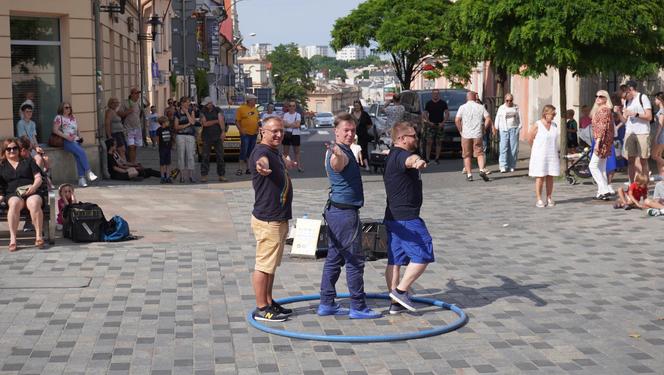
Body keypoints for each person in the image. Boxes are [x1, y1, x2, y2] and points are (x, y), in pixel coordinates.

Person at [318, 113, 381, 319]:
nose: (350, 134)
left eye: (353, 130)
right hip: (344, 214)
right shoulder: (338, 153)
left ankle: (327, 303)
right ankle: (358, 307)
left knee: (334, 258)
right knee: (355, 260)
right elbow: (339, 163)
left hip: (337, 212)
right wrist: (336, 153)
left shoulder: (346, 149)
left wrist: (339, 152)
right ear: (336, 131)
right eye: (346, 130)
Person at [248, 116, 297, 322]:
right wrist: (262, 166)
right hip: (268, 219)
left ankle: (269, 301)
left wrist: (286, 163)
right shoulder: (262, 152)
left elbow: (274, 162)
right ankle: (261, 308)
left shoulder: (274, 152)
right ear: (262, 131)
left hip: (278, 218)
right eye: (274, 131)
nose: (278, 134)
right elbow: (261, 161)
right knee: (263, 265)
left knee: (271, 266)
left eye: (281, 131)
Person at [383, 122, 433, 314]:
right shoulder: (403, 156)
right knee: (423, 253)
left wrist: (416, 161)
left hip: (393, 216)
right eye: (413, 135)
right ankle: (401, 292)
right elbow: (411, 160)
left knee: (395, 260)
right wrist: (418, 162)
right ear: (402, 139)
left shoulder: (392, 155)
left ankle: (395, 303)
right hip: (407, 219)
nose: (416, 138)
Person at [0, 138, 45, 251]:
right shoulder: (2, 166)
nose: (12, 151)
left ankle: (39, 236)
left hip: (31, 191)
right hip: (13, 194)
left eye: (14, 148)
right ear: (4, 151)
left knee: (34, 202)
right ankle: (13, 239)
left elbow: (38, 178)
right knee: (14, 203)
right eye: (8, 149)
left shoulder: (28, 161)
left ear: (19, 149)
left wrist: (34, 187)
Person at [51, 102, 98, 187]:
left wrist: (80, 137)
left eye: (69, 107)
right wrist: (66, 137)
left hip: (76, 140)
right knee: (81, 153)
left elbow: (77, 128)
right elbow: (55, 130)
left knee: (78, 156)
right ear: (62, 108)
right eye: (66, 107)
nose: (68, 109)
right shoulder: (59, 117)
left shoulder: (73, 117)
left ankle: (81, 179)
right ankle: (88, 171)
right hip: (66, 141)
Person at [618, 80, 652, 182]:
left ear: (630, 90)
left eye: (625, 96)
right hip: (630, 132)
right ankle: (631, 184)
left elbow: (649, 117)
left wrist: (635, 114)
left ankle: (644, 183)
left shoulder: (643, 97)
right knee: (630, 160)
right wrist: (619, 113)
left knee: (643, 160)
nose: (624, 99)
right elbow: (624, 120)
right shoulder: (627, 101)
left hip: (642, 132)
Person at [455, 91, 492, 182]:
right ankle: (481, 170)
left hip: (466, 134)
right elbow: (488, 118)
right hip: (477, 133)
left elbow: (457, 120)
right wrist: (484, 129)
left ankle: (469, 174)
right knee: (479, 153)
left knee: (467, 155)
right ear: (475, 98)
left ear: (467, 98)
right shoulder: (480, 107)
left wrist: (460, 130)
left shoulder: (462, 107)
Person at [528, 105, 560, 208]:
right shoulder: (537, 125)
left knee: (550, 176)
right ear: (545, 114)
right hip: (540, 155)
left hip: (551, 154)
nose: (554, 116)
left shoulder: (554, 125)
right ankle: (539, 199)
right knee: (540, 176)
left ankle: (549, 197)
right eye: (553, 114)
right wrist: (536, 149)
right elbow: (530, 138)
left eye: (555, 114)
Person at [588, 90, 615, 200]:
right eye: (596, 96)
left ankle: (604, 189)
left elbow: (602, 127)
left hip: (601, 142)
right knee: (601, 167)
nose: (598, 98)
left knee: (592, 166)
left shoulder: (604, 110)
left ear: (606, 98)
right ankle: (601, 193)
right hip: (605, 141)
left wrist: (597, 142)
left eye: (601, 96)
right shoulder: (602, 110)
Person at [199, 97, 226, 182]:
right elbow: (205, 123)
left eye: (207, 104)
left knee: (220, 156)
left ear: (211, 103)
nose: (206, 106)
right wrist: (216, 121)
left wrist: (223, 132)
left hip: (217, 136)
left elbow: (221, 120)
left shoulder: (218, 110)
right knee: (205, 156)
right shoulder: (202, 111)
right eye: (205, 105)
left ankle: (221, 175)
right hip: (206, 136)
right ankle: (204, 175)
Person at [16, 104, 49, 173]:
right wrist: (35, 147)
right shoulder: (20, 123)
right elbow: (25, 139)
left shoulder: (32, 123)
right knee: (39, 159)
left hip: (32, 147)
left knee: (46, 159)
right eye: (27, 111)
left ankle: (42, 176)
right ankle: (35, 176)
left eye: (30, 111)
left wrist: (37, 147)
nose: (29, 113)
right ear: (23, 113)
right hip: (25, 147)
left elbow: (34, 137)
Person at [494, 93, 521, 173]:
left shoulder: (516, 107)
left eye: (511, 100)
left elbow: (520, 117)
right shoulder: (501, 108)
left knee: (513, 149)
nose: (509, 102)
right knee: (503, 148)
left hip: (514, 129)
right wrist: (496, 128)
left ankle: (512, 165)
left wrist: (519, 127)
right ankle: (503, 165)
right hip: (504, 130)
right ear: (505, 100)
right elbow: (497, 118)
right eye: (507, 100)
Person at [174, 96, 197, 183]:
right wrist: (186, 125)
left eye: (189, 102)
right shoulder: (177, 113)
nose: (188, 104)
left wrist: (187, 112)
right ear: (182, 103)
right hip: (180, 136)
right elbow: (176, 127)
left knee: (190, 156)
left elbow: (193, 122)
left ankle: (191, 176)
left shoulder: (191, 111)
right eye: (187, 102)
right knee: (181, 156)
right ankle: (182, 176)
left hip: (190, 136)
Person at [117, 88, 143, 163]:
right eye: (136, 93)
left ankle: (134, 162)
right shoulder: (126, 103)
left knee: (135, 147)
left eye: (138, 93)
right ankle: (132, 163)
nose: (138, 95)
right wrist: (128, 111)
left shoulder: (138, 103)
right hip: (129, 129)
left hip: (137, 128)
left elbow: (140, 114)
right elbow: (119, 113)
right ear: (131, 94)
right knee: (131, 147)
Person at [236, 94, 260, 176]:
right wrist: (241, 130)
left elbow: (257, 120)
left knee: (251, 152)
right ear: (249, 100)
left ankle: (248, 168)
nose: (255, 101)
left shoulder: (255, 109)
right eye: (254, 100)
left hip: (254, 134)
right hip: (245, 134)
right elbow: (237, 121)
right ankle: (240, 168)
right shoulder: (241, 109)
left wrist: (257, 129)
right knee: (244, 151)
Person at [423, 89, 449, 163]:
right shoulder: (429, 103)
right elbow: (425, 113)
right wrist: (428, 122)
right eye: (434, 94)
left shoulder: (443, 103)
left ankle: (437, 158)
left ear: (439, 94)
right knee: (429, 142)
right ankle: (427, 158)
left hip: (440, 124)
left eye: (437, 94)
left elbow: (447, 113)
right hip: (431, 125)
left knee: (438, 142)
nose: (435, 95)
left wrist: (443, 122)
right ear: (432, 94)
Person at [282, 101, 304, 172]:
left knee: (296, 152)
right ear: (288, 107)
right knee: (285, 152)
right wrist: (293, 124)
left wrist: (289, 124)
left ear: (295, 107)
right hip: (287, 134)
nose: (292, 107)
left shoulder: (298, 115)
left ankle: (298, 166)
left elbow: (297, 125)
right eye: (290, 106)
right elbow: (284, 125)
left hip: (296, 134)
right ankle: (285, 167)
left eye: (293, 106)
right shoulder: (285, 115)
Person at [350, 100, 373, 170]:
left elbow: (370, 124)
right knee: (355, 150)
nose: (356, 107)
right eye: (355, 106)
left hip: (363, 135)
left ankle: (366, 165)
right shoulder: (351, 115)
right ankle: (356, 165)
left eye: (358, 105)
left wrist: (364, 129)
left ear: (360, 106)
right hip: (354, 136)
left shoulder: (365, 114)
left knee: (364, 150)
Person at [156, 116, 173, 183]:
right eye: (167, 122)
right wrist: (159, 145)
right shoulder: (159, 130)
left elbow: (171, 137)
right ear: (163, 123)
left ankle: (168, 176)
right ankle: (162, 176)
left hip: (168, 148)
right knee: (162, 163)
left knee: (168, 163)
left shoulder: (169, 129)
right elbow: (157, 139)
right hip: (162, 148)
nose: (168, 123)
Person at [651, 92, 664, 177]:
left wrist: (656, 137)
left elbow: (660, 125)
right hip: (661, 136)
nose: (654, 100)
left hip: (660, 136)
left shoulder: (661, 112)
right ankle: (661, 175)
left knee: (654, 156)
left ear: (660, 100)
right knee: (658, 155)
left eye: (656, 99)